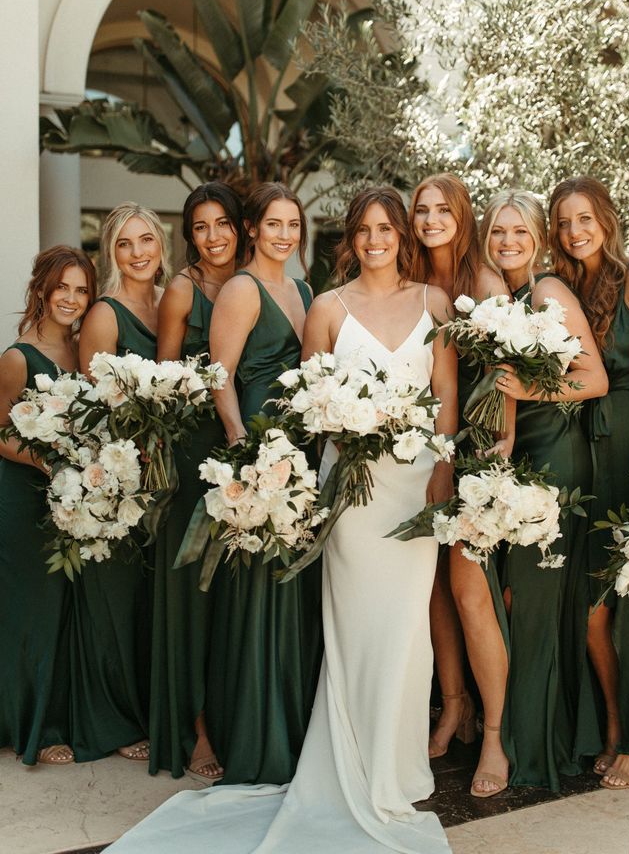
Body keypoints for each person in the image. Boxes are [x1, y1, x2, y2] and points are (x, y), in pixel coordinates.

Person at [106, 184, 456, 854]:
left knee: (410, 626)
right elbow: (307, 394)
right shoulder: (325, 305)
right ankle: (345, 755)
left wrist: (440, 470)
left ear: (401, 236)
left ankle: (398, 761)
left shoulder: (430, 302)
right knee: (351, 623)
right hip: (346, 487)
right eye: (364, 231)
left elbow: (445, 392)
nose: (376, 241)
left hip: (413, 485)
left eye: (387, 230)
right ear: (350, 239)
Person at [548, 176, 629, 790]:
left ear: (606, 216)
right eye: (565, 222)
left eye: (584, 218)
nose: (575, 231)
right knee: (594, 610)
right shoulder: (565, 290)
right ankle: (619, 722)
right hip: (583, 450)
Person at [481, 189, 608, 792]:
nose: (508, 243)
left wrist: (532, 397)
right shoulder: (498, 298)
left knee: (533, 599)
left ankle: (534, 745)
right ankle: (537, 730)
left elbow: (594, 378)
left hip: (557, 456)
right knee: (518, 598)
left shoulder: (549, 292)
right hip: (518, 454)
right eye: (499, 232)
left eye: (520, 233)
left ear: (538, 238)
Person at [204, 182, 321, 785]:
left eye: (293, 224)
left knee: (290, 582)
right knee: (256, 586)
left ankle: (292, 722)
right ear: (252, 229)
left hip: (298, 448)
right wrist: (240, 450)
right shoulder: (241, 289)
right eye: (273, 224)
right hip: (254, 446)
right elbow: (219, 376)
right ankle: (253, 730)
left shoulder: (301, 289)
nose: (283, 234)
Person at [409, 174, 513, 796]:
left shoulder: (485, 282)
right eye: (421, 209)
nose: (429, 219)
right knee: (433, 591)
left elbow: (508, 372)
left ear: (463, 214)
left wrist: (497, 458)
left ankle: (495, 736)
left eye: (442, 209)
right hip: (415, 453)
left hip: (476, 453)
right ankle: (454, 705)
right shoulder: (414, 281)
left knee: (471, 592)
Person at [150, 183, 245, 780]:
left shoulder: (261, 283)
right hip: (194, 454)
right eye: (201, 227)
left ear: (240, 227)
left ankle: (238, 716)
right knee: (194, 595)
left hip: (251, 453)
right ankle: (197, 731)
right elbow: (164, 380)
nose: (213, 237)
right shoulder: (183, 290)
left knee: (236, 594)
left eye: (222, 224)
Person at [72, 203, 170, 763]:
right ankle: (114, 718)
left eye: (146, 241)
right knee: (119, 597)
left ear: (160, 243)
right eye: (125, 245)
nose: (138, 254)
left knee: (153, 600)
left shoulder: (166, 302)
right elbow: (92, 406)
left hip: (169, 472)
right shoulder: (106, 315)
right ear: (111, 253)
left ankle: (153, 709)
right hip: (122, 475)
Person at [0, 246, 95, 765]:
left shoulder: (85, 351)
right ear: (42, 288)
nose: (72, 299)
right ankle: (30, 728)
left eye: (82, 290)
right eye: (63, 287)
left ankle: (58, 715)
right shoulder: (17, 358)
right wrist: (44, 462)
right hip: (21, 495)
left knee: (64, 610)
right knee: (30, 612)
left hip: (74, 497)